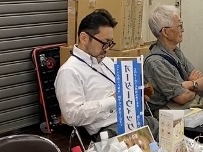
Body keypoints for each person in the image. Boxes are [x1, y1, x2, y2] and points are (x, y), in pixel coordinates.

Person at [55, 10, 157, 140]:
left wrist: (134, 96)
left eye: (110, 43)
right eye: (104, 43)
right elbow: (72, 116)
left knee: (171, 135)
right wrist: (114, 100)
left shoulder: (106, 62)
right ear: (84, 38)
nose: (107, 49)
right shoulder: (69, 71)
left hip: (134, 120)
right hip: (111, 130)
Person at [143, 5, 203, 117]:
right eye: (179, 26)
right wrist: (194, 84)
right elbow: (182, 97)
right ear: (165, 32)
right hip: (174, 111)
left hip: (193, 103)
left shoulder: (176, 51)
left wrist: (187, 85)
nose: (182, 30)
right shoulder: (155, 62)